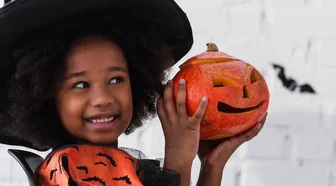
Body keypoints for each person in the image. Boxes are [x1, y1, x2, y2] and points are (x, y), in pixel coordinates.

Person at [0, 0, 267, 185]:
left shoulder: (116, 167)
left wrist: (211, 165)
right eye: (81, 85)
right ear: (44, 96)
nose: (103, 97)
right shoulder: (69, 170)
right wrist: (178, 157)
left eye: (116, 79)